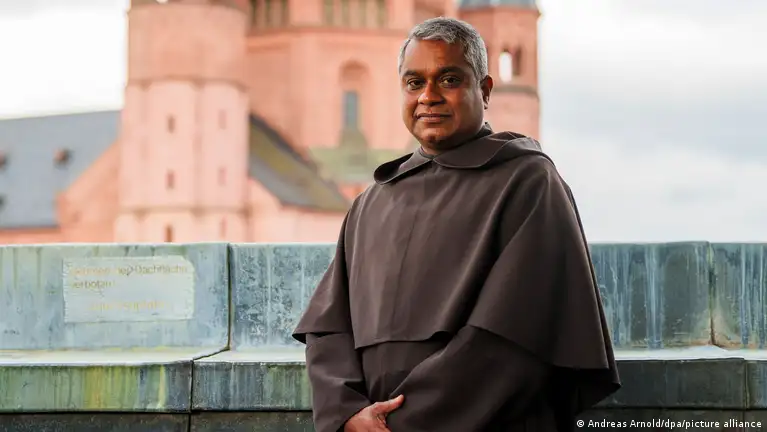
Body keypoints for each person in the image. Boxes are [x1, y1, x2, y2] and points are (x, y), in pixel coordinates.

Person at [293, 17, 620, 432]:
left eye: (448, 79)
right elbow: (328, 328)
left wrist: (401, 424)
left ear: (484, 90)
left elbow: (513, 336)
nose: (428, 96)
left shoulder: (528, 183)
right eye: (414, 83)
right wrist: (347, 414)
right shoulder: (371, 202)